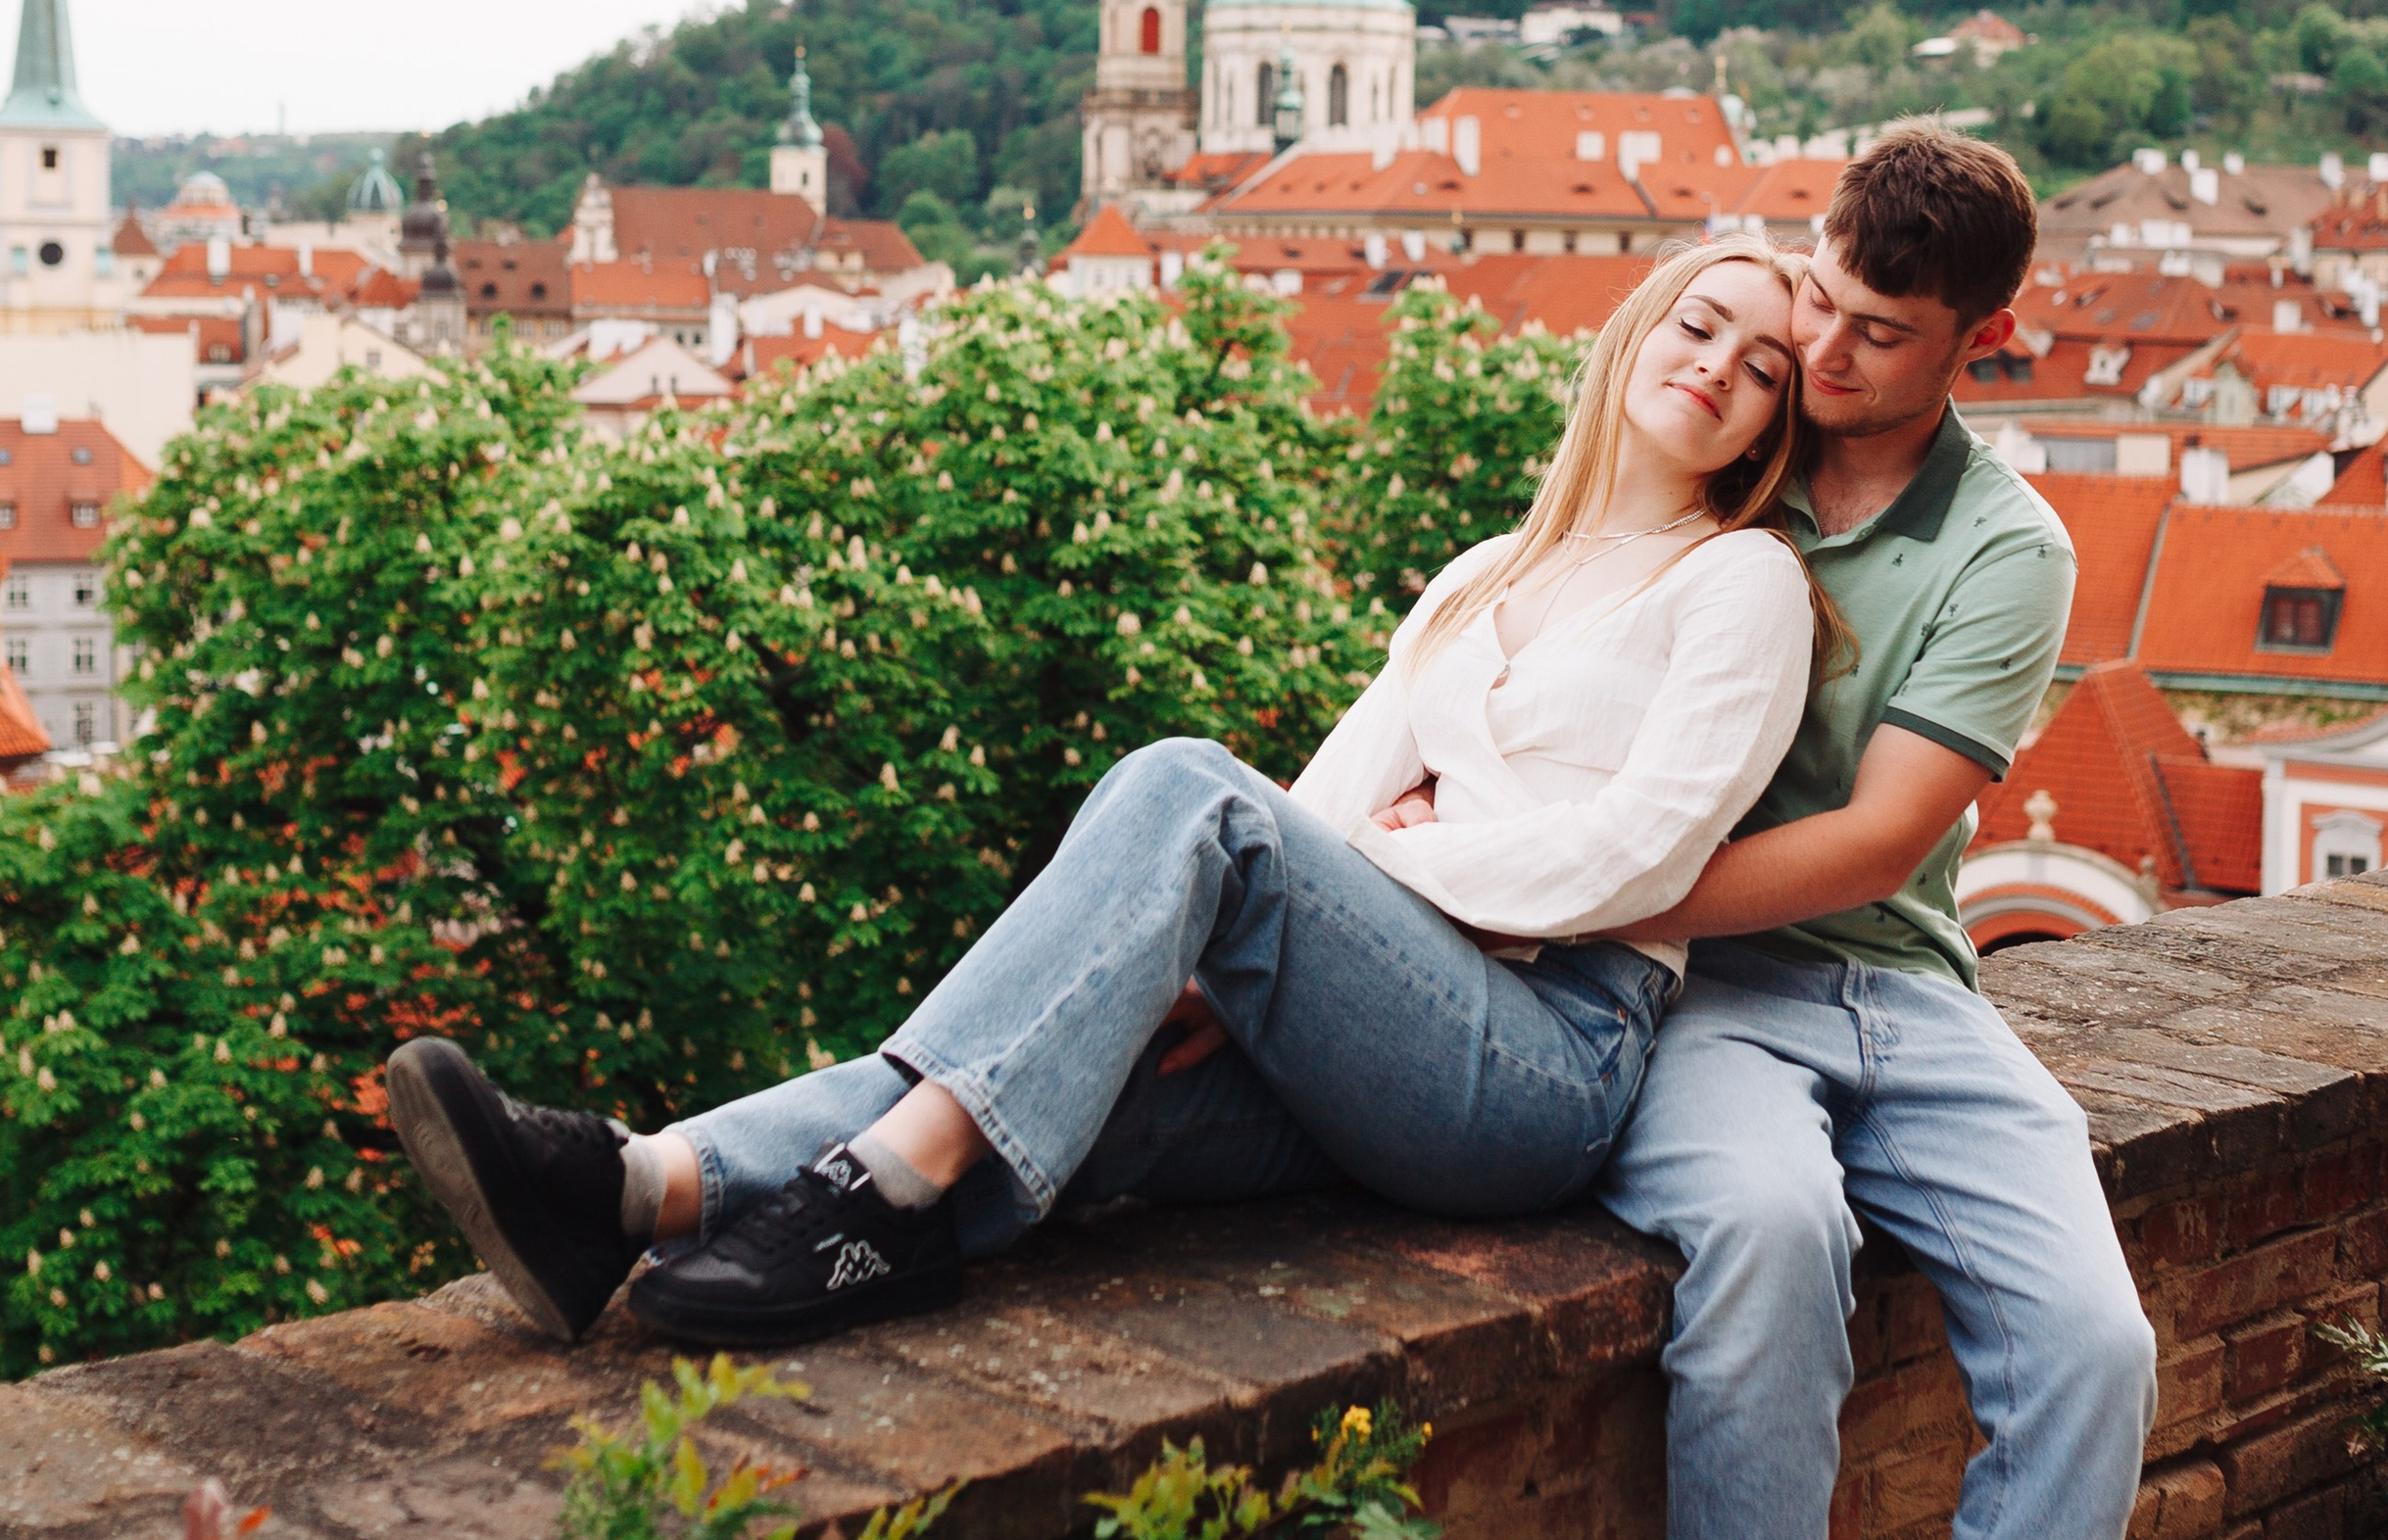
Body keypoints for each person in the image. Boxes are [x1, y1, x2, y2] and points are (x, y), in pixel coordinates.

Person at [387, 239, 1829, 1360]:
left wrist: (1412, 864)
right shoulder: (1483, 573)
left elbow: (1644, 852)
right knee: (1056, 1076)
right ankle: (629, 1193)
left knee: (1187, 788)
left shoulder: (1744, 582)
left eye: (1766, 365)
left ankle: (876, 1207)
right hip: (1402, 1023)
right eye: (1700, 324)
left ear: (1773, 421)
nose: (1720, 365)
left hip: (1547, 1062)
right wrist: (1197, 961)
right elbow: (1324, 806)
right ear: (1636, 331)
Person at [1586, 123, 2160, 1540]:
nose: (1820, 347)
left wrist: (1583, 885)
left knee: (2093, 1351)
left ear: (1974, 342)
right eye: (1815, 295)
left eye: (1877, 328)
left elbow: (1873, 839)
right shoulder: (1720, 439)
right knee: (1758, 1240)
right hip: (1712, 1002)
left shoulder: (2001, 543)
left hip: (1905, 986)